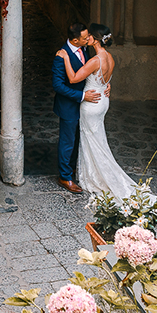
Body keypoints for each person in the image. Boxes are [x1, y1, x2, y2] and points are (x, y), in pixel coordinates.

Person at [56, 23, 157, 212]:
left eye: (90, 36)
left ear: (96, 40)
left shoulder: (95, 60)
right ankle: (91, 171)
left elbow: (74, 78)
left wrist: (65, 57)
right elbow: (105, 81)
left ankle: (97, 176)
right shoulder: (110, 58)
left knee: (93, 142)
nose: (87, 38)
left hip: (91, 105)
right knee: (97, 140)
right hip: (102, 102)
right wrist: (107, 86)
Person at [52, 23, 102, 193]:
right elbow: (58, 86)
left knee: (79, 138)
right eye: (85, 37)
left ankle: (73, 168)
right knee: (68, 142)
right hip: (69, 106)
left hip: (85, 105)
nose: (88, 39)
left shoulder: (84, 50)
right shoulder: (61, 56)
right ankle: (65, 177)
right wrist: (81, 96)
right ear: (75, 40)